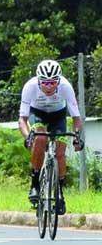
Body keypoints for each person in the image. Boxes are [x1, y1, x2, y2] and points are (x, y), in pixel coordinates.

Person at [19, 60, 83, 214]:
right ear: (38, 80)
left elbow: (76, 118)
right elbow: (23, 119)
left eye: (53, 83)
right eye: (45, 83)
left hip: (58, 116)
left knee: (60, 153)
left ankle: (60, 192)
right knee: (40, 138)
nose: (48, 87)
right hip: (37, 114)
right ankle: (35, 184)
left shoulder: (66, 87)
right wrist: (28, 136)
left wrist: (76, 137)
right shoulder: (30, 86)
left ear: (58, 81)